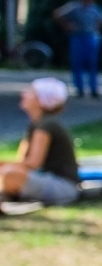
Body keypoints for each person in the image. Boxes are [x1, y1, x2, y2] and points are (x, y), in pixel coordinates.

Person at [1, 78, 78, 207]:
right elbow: (22, 161)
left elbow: (33, 164)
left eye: (31, 92)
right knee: (8, 172)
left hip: (62, 186)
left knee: (10, 175)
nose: (24, 94)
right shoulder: (36, 124)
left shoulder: (46, 125)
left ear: (42, 100)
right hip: (44, 179)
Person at [52, 0, 102, 98]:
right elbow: (57, 14)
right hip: (78, 37)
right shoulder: (74, 6)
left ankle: (93, 88)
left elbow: (101, 20)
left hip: (90, 37)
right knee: (77, 63)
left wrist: (97, 29)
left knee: (92, 64)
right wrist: (67, 25)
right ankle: (79, 88)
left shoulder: (94, 8)